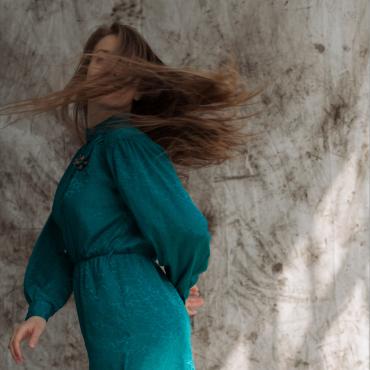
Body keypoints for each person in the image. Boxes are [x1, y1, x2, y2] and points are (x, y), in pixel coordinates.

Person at [4, 22, 264, 369]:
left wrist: (182, 284)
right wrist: (40, 311)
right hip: (109, 322)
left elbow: (185, 229)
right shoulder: (86, 160)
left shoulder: (125, 145)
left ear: (138, 88)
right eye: (101, 60)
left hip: (141, 319)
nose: (111, 69)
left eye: (124, 65)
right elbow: (59, 242)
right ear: (84, 74)